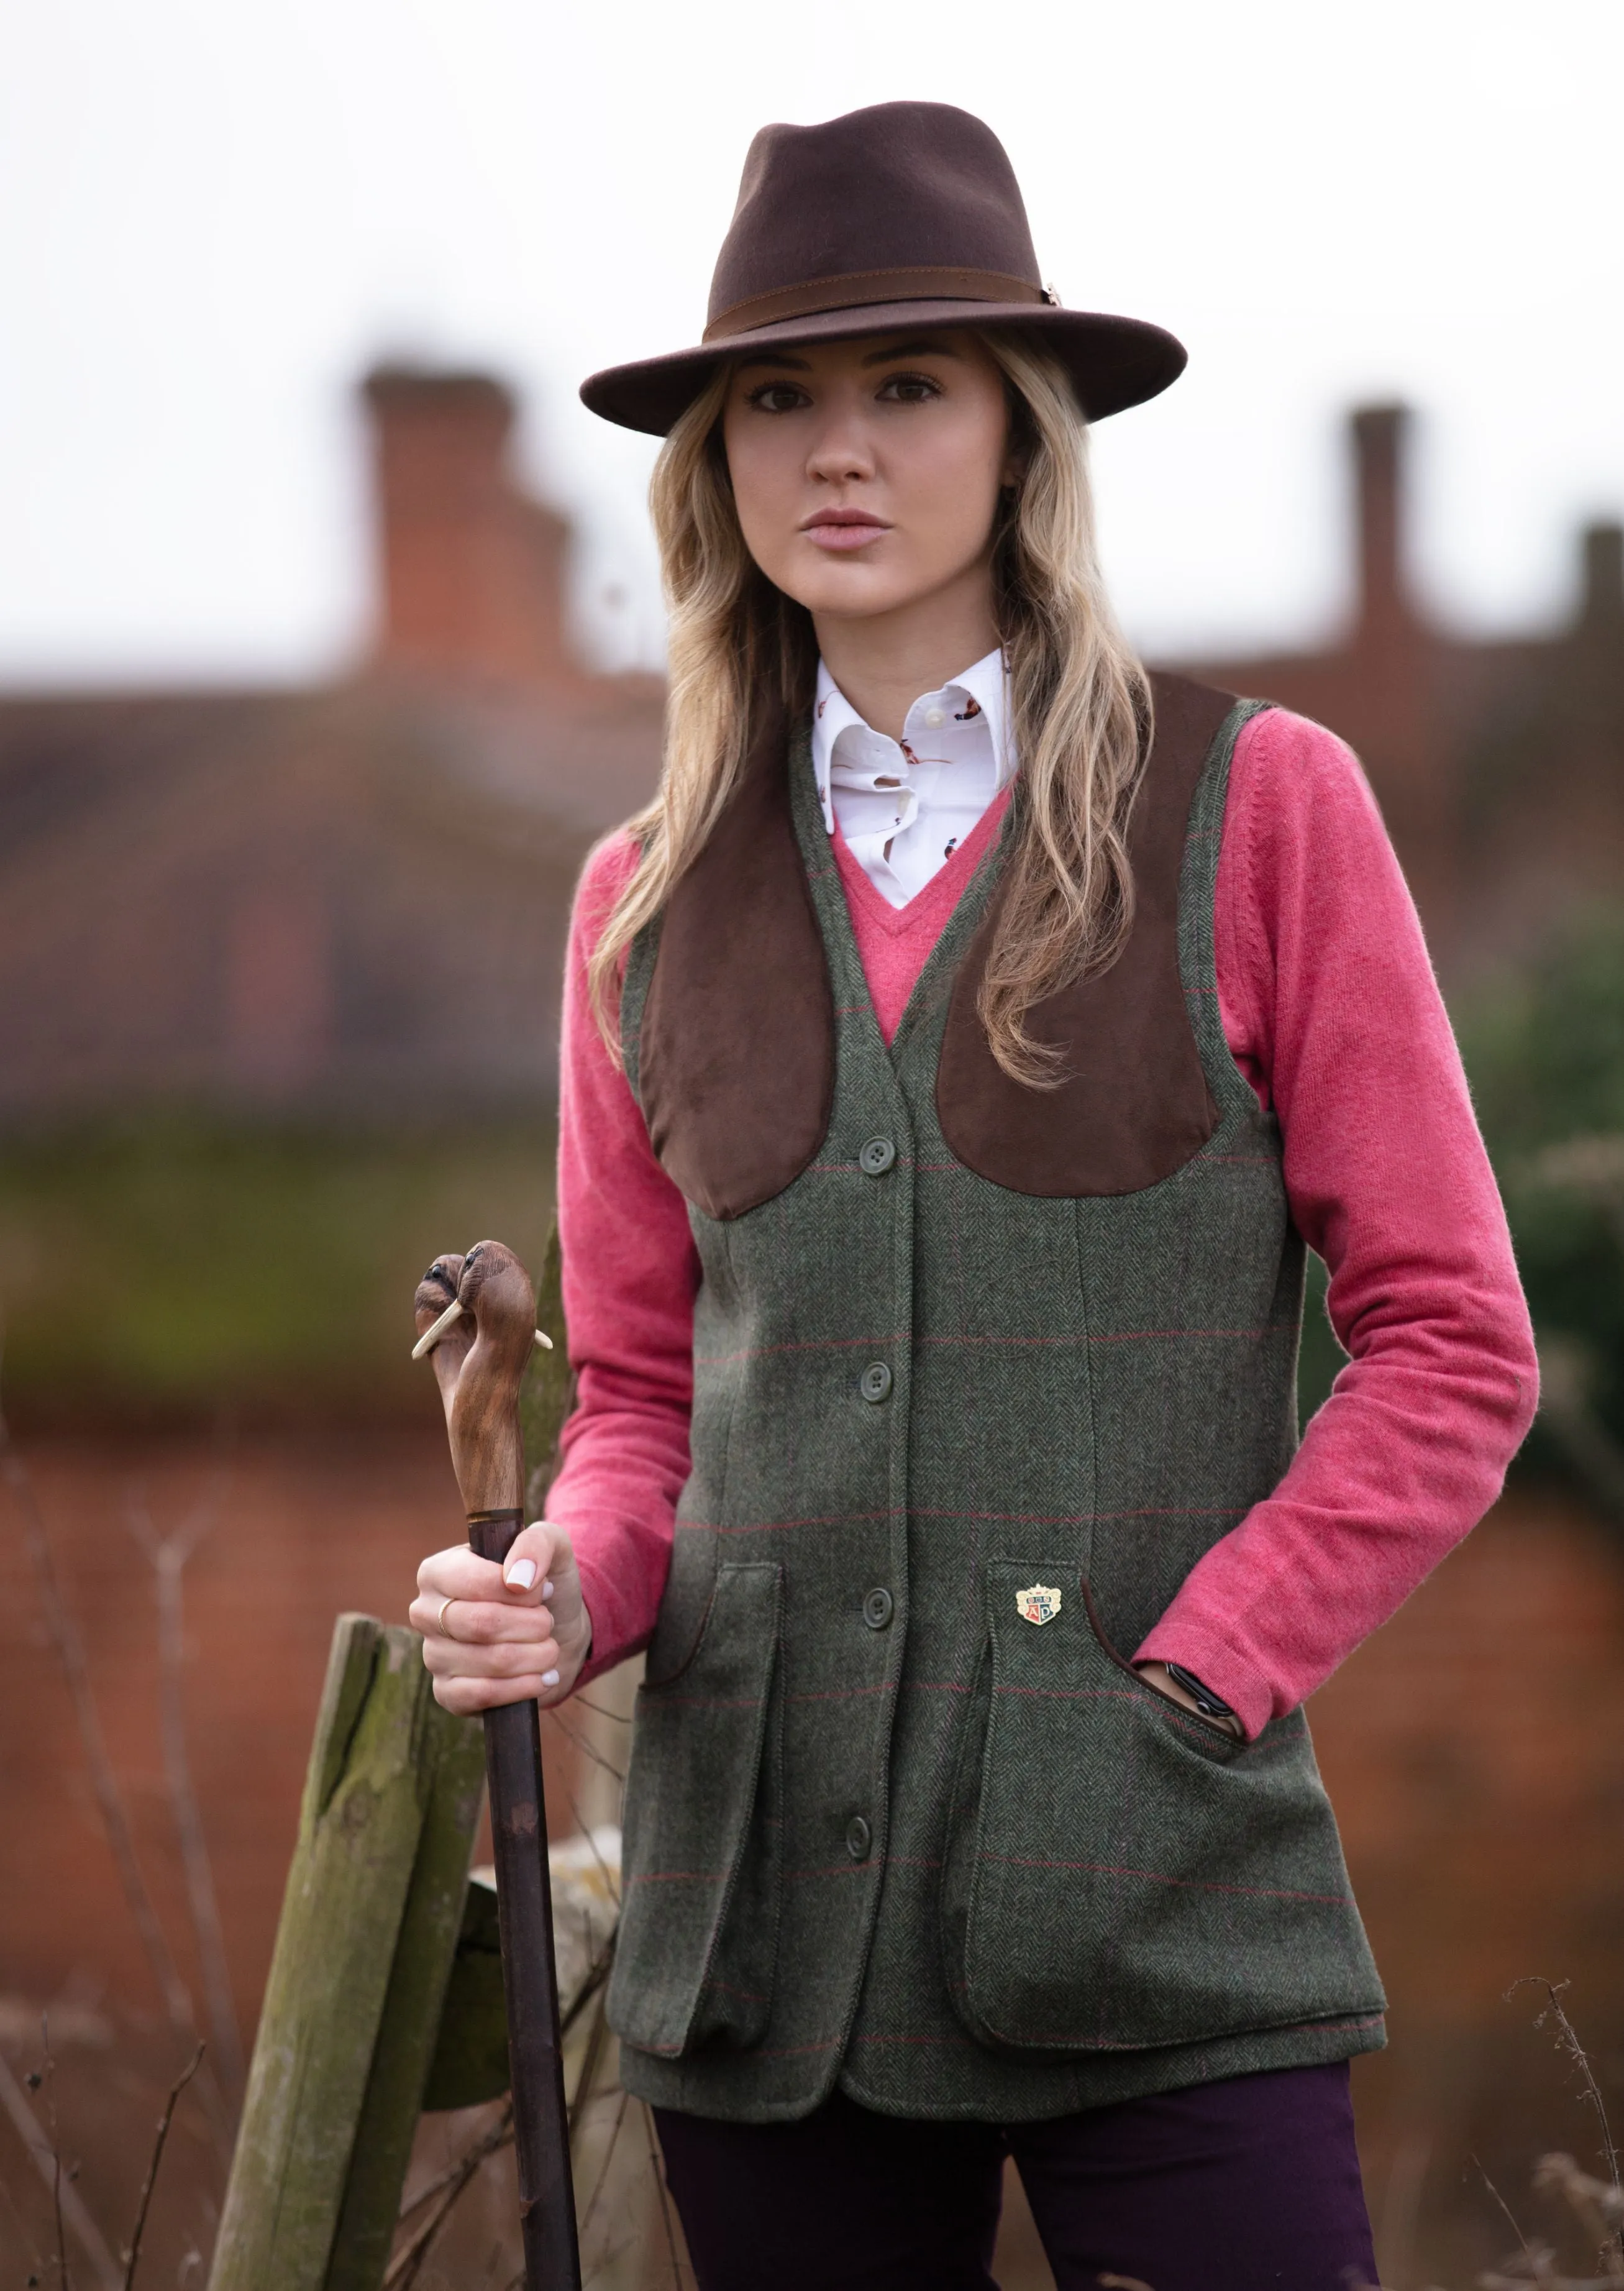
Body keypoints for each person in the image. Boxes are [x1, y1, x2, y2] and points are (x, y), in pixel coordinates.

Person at [410, 101, 1537, 2291]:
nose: (836, 448)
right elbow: (642, 1397)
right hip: (764, 1946)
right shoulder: (636, 903)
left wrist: (1201, 1675)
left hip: (1160, 1902)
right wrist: (564, 1585)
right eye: (776, 399)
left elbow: (1452, 1346)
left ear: (1022, 436)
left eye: (909, 385)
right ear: (714, 462)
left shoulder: (1259, 808)